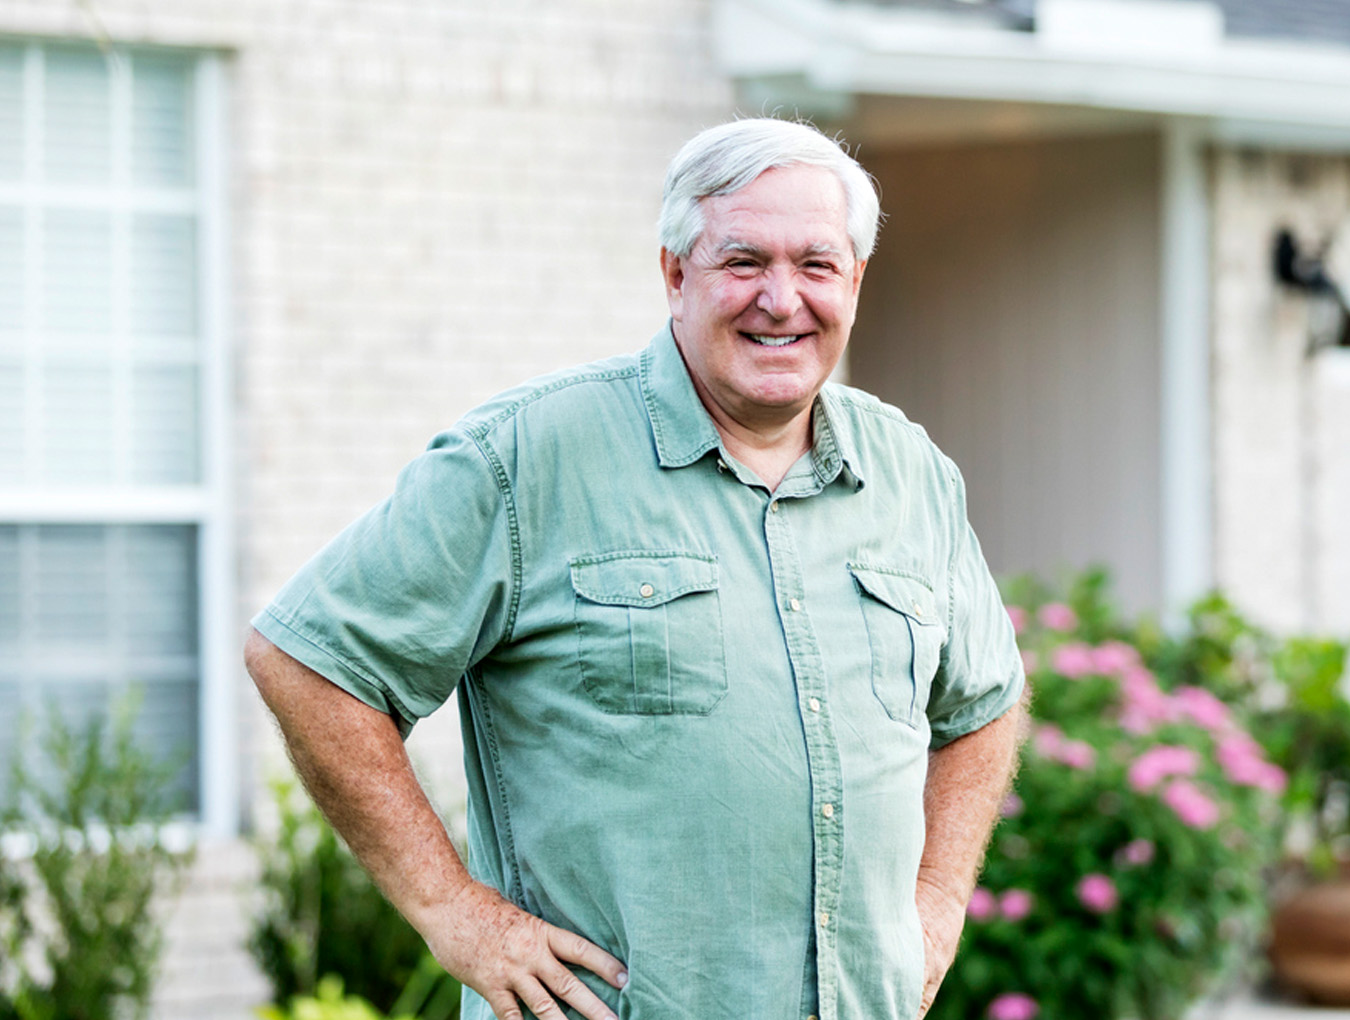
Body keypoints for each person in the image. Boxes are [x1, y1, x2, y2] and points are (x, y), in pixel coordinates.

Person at [245, 117, 1026, 1020]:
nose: (782, 299)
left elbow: (984, 704)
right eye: (743, 262)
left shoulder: (912, 473)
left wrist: (935, 903)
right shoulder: (526, 458)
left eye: (816, 265)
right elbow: (307, 657)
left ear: (854, 281)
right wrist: (454, 916)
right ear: (674, 274)